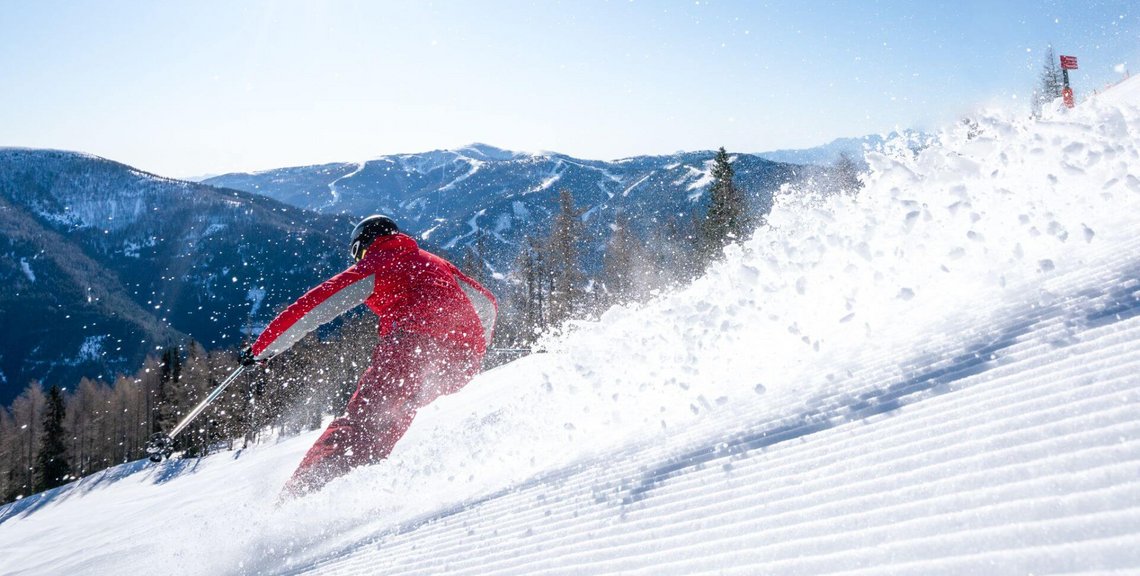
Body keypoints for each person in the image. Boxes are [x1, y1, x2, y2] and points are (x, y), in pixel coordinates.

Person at [242, 214, 497, 498]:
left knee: (363, 421)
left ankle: (299, 498)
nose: (357, 260)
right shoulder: (435, 262)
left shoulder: (378, 264)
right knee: (389, 415)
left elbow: (315, 305)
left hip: (412, 348)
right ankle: (350, 489)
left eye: (356, 254)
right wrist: (476, 349)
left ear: (364, 245)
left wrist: (261, 350)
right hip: (459, 363)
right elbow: (487, 302)